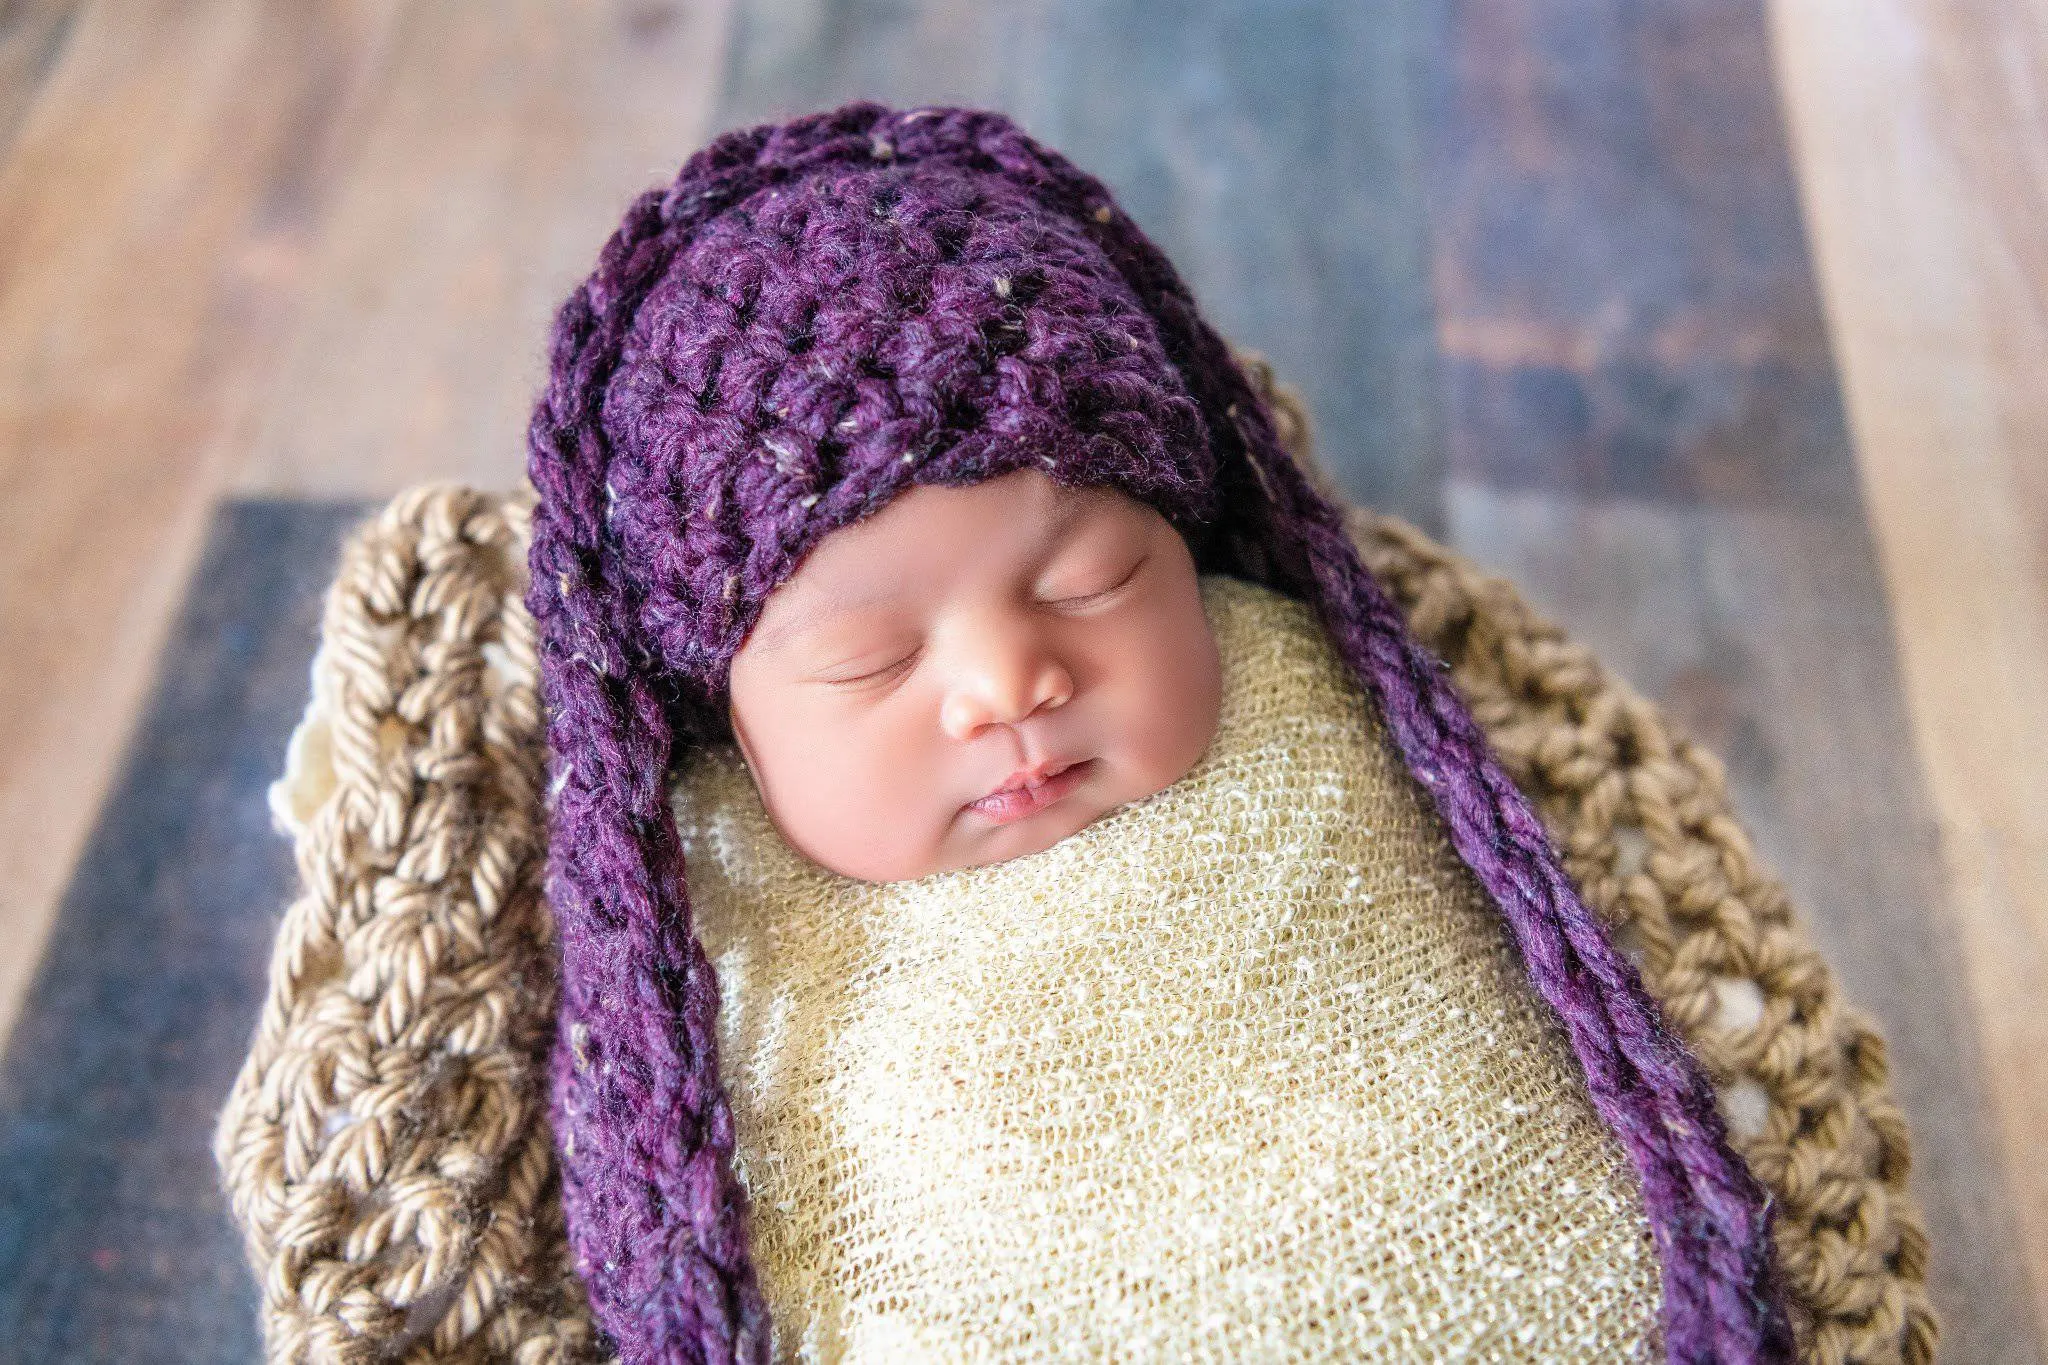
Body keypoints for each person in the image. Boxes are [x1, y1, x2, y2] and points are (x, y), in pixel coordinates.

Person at [525, 100, 1790, 1363]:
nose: (1009, 685)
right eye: (873, 659)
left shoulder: (1304, 689)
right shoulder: (705, 896)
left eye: (1090, 582)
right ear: (727, 728)